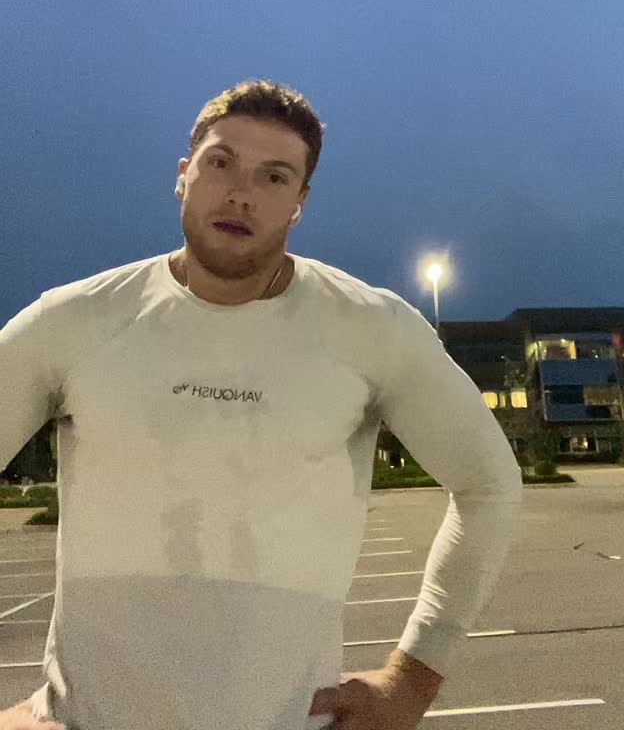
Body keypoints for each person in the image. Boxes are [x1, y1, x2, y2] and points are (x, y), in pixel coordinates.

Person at [0, 80, 522, 730]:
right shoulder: (78, 321)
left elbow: (489, 485)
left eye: (275, 177)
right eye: (221, 163)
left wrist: (412, 678)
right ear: (184, 175)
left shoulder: (370, 329)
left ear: (300, 202)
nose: (241, 193)